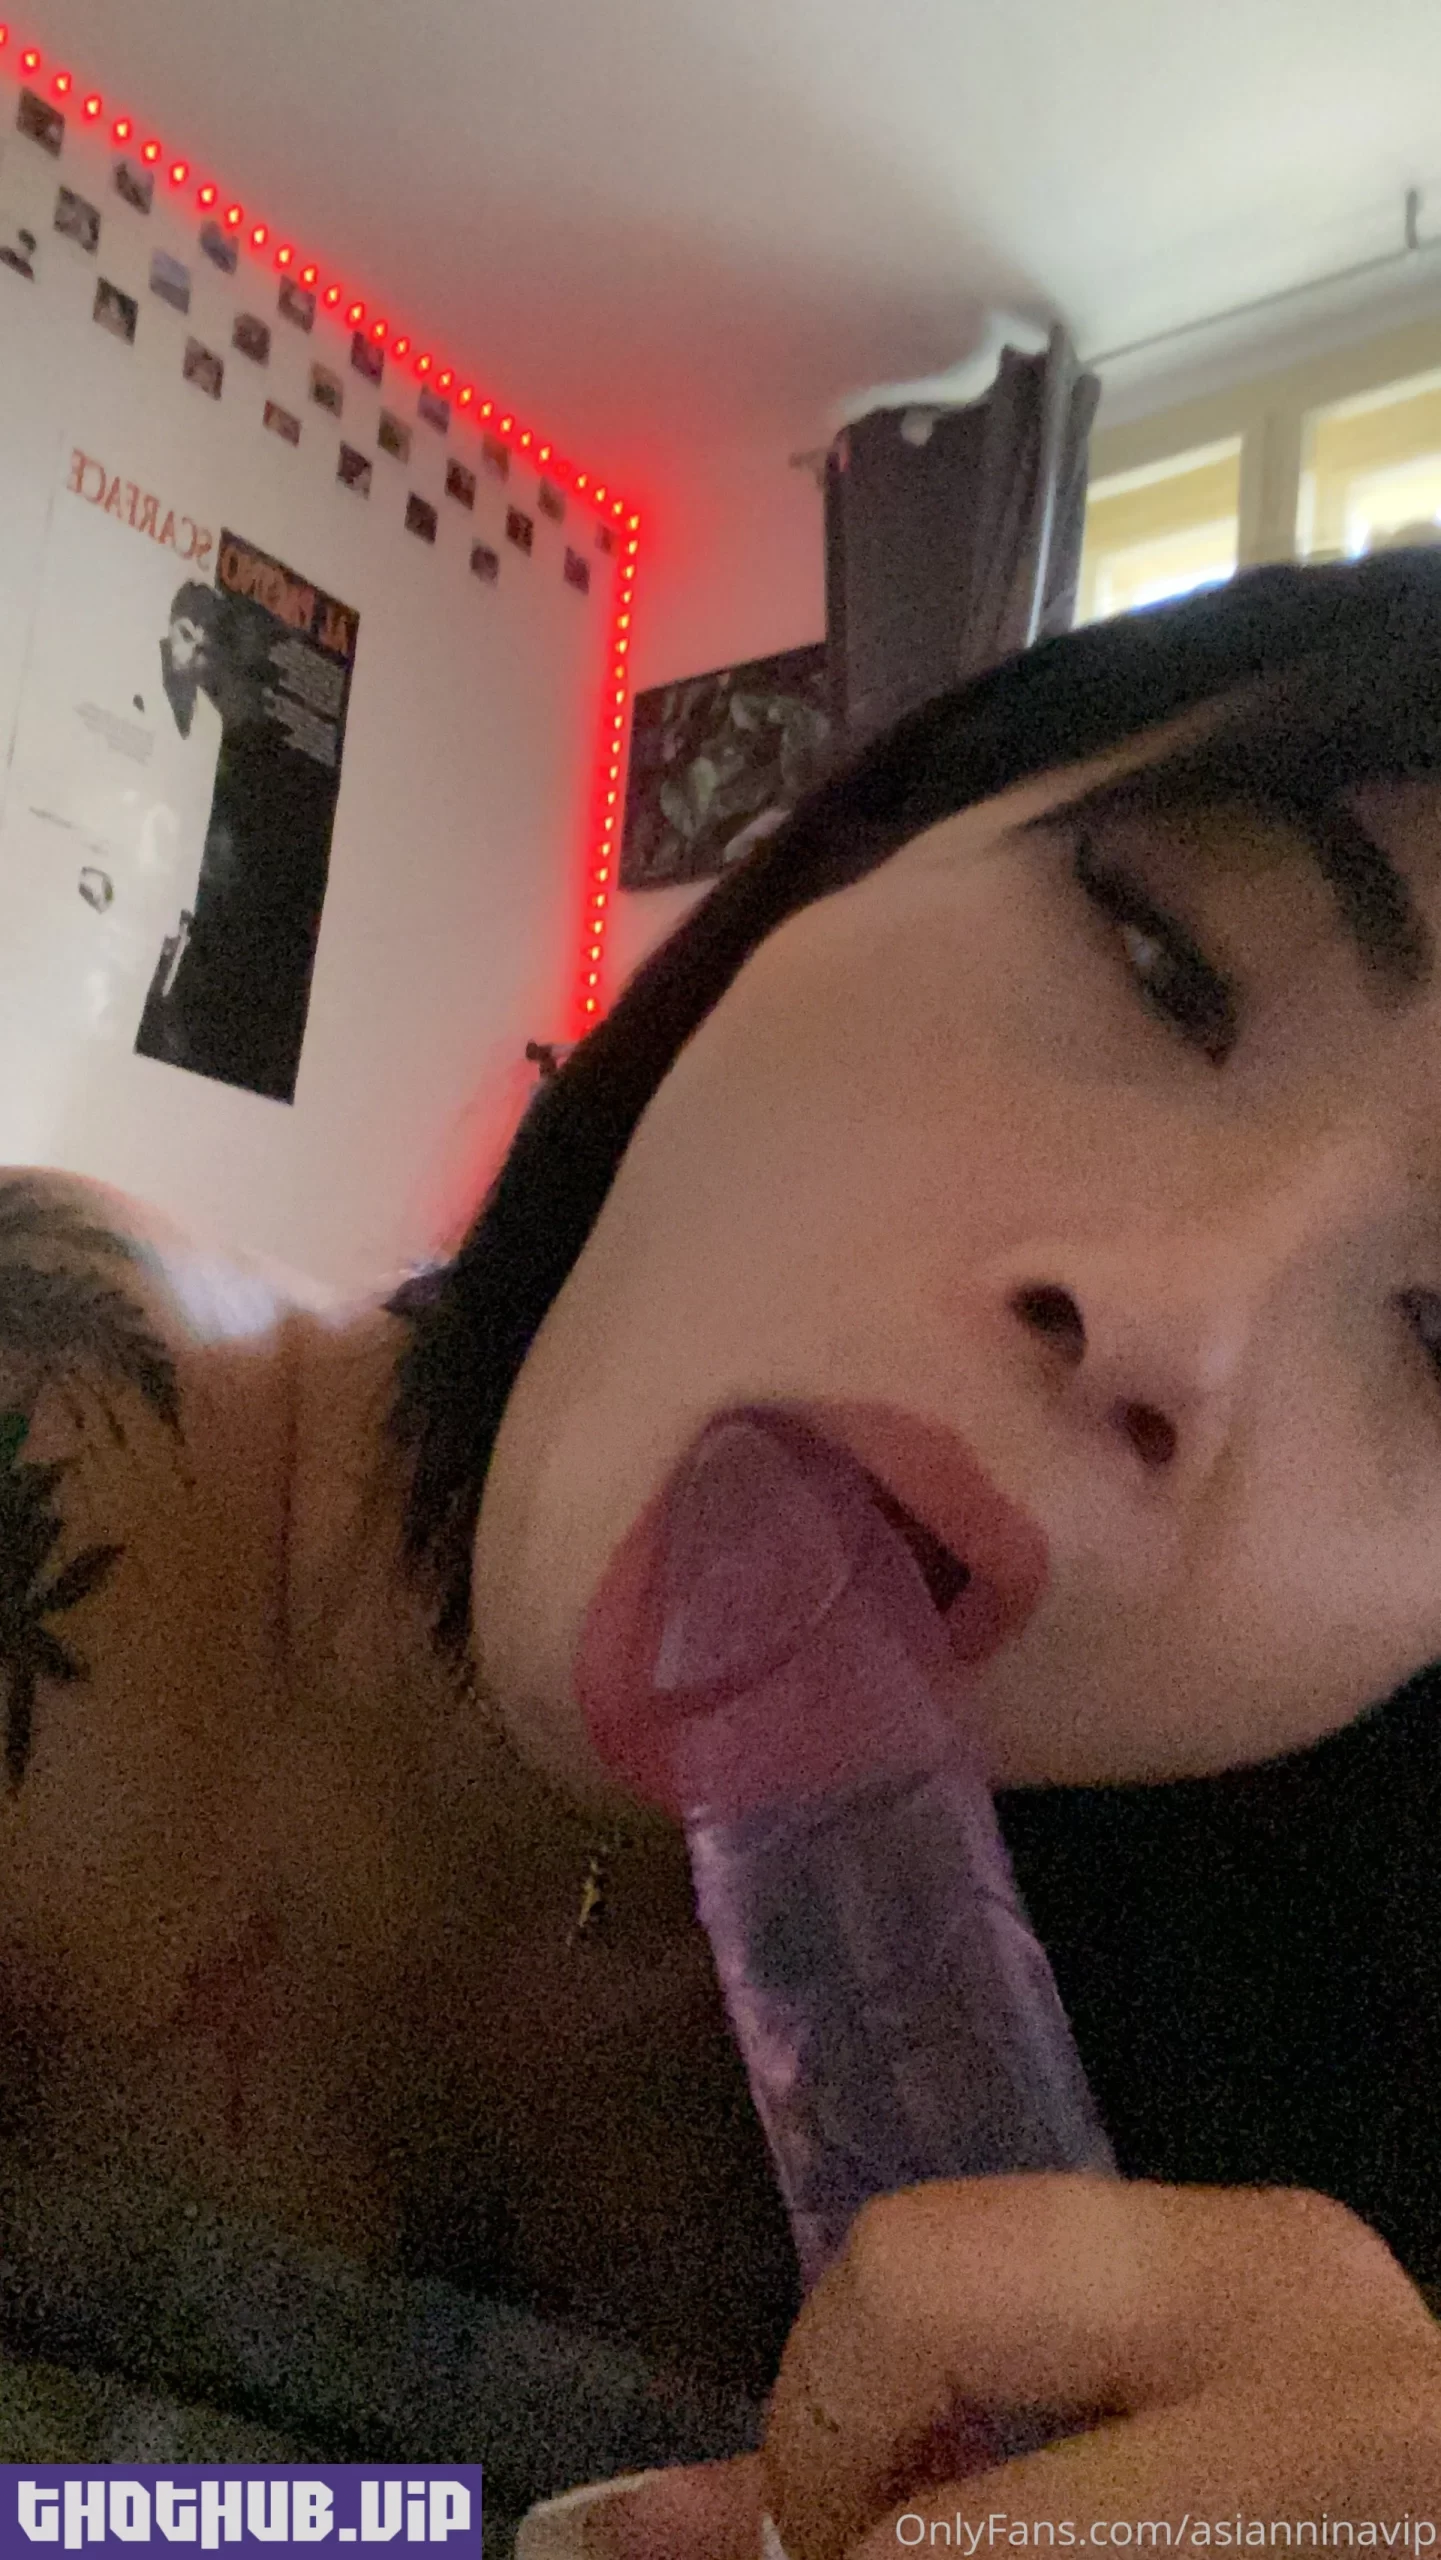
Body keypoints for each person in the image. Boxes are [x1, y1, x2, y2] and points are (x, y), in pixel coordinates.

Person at [6, 553, 1441, 2549]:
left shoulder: (1294, 2178)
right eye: (1162, 958)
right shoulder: (66, 1433)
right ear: (832, 876)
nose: (1171, 1319)